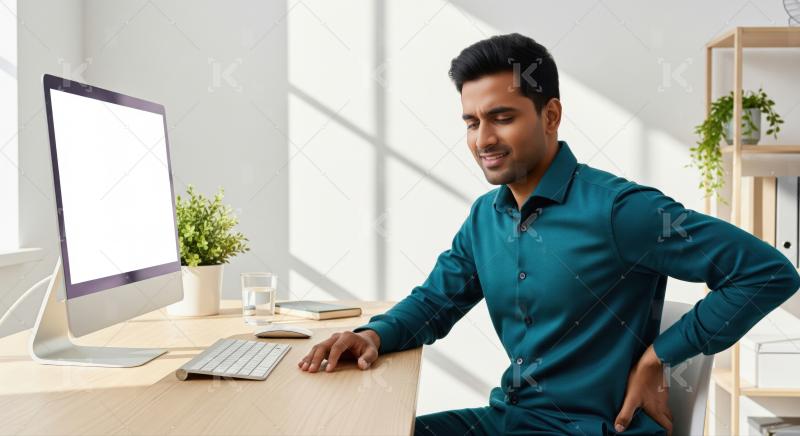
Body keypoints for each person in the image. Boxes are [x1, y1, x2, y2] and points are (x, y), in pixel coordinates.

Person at [297, 33, 800, 435]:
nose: (483, 139)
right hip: (510, 420)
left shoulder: (619, 210)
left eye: (501, 117)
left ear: (551, 115)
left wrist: (659, 355)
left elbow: (766, 273)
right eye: (471, 122)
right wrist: (370, 335)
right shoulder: (484, 217)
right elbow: (434, 302)